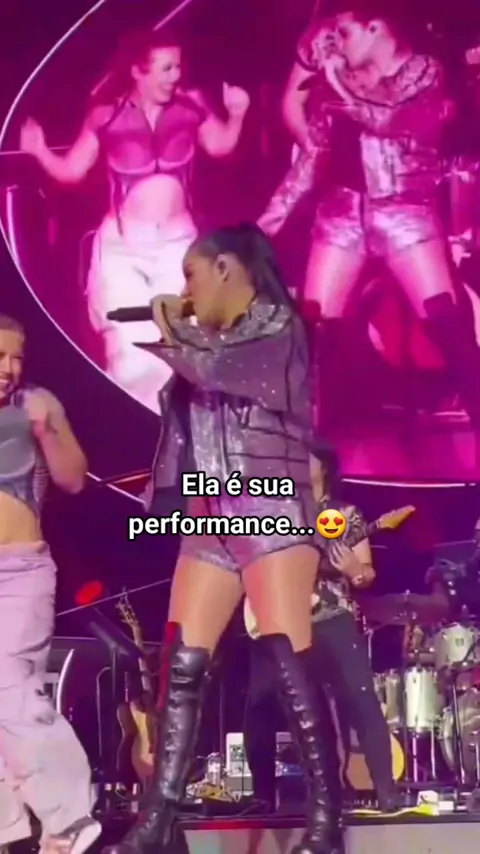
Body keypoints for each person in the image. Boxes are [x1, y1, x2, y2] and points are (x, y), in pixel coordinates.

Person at [104, 223, 342, 854]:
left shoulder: (280, 328)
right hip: (211, 511)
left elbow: (220, 370)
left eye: (191, 275)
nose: (184, 290)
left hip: (271, 507)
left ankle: (327, 819)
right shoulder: (208, 342)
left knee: (287, 657)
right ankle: (158, 821)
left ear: (227, 269)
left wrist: (174, 327)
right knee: (181, 663)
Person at [259, 0, 480, 436]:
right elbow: (313, 157)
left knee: (445, 322)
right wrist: (271, 218)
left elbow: (387, 116)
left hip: (404, 214)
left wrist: (335, 79)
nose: (337, 46)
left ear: (376, 28)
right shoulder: (341, 84)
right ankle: (302, 441)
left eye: (345, 34)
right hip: (342, 216)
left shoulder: (422, 71)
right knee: (314, 333)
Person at [19, 27, 250, 413]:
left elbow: (220, 145)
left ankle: (183, 431)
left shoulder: (191, 107)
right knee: (129, 353)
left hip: (177, 244)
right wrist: (40, 150)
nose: (175, 76)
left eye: (178, 67)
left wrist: (238, 114)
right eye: (166, 68)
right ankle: (135, 429)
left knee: (183, 342)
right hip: (124, 248)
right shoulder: (106, 116)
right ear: (138, 71)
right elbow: (72, 170)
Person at [244, 441, 402, 815]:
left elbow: (365, 572)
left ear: (325, 467)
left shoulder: (344, 515)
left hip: (331, 618)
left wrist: (355, 571)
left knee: (361, 701)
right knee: (260, 707)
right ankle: (263, 796)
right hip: (276, 619)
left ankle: (386, 792)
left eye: (306, 455)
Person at [0, 314, 100, 854]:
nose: (9, 368)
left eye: (16, 357)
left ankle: (69, 818)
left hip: (18, 572)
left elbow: (74, 479)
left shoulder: (36, 404)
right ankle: (10, 831)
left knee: (11, 690)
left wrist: (47, 432)